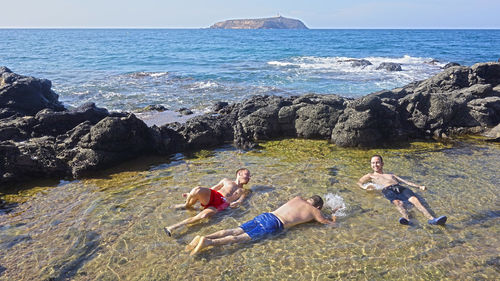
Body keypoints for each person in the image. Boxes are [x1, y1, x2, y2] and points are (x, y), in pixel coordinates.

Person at [186, 195, 337, 256]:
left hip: (266, 215)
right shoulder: (314, 211)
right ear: (318, 207)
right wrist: (334, 215)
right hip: (275, 224)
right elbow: (329, 224)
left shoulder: (297, 198)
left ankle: (204, 236)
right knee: (239, 239)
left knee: (234, 230)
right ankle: (208, 242)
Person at [357, 155, 447, 225]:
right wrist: (365, 187)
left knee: (415, 200)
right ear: (371, 164)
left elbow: (406, 182)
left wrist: (419, 186)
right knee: (398, 203)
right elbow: (359, 182)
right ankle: (407, 219)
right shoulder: (370, 175)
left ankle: (432, 219)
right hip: (387, 190)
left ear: (382, 164)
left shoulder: (391, 175)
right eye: (373, 163)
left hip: (400, 187)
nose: (375, 165)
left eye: (377, 162)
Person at [164, 168, 251, 236]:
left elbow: (240, 201)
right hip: (214, 195)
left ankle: (171, 228)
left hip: (220, 205)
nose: (249, 178)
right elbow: (213, 188)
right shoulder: (226, 180)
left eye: (249, 176)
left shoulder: (244, 191)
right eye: (247, 175)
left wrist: (237, 203)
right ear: (239, 173)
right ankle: (186, 205)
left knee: (203, 216)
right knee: (197, 189)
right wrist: (193, 195)